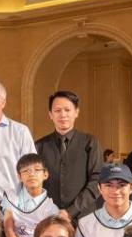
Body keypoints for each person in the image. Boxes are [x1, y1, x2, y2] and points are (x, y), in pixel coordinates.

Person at [34, 90, 100, 221]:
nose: (62, 114)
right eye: (57, 110)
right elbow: (35, 182)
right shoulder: (39, 145)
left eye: (67, 110)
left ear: (76, 112)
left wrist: (71, 211)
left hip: (84, 217)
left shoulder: (90, 142)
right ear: (50, 115)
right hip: (49, 216)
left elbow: (97, 180)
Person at [1, 153, 59, 237]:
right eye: (26, 171)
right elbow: (8, 228)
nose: (31, 174)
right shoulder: (11, 196)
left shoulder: (52, 209)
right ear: (19, 176)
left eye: (37, 170)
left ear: (45, 174)